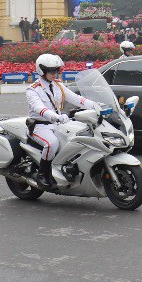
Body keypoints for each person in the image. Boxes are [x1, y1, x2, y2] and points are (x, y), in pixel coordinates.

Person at [25, 54, 102, 189]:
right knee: (52, 143)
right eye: (51, 71)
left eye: (56, 70)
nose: (54, 74)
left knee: (78, 137)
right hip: (40, 126)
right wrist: (55, 117)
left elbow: (75, 98)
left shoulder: (58, 85)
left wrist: (95, 105)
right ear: (42, 71)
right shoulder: (33, 89)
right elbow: (38, 108)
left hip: (58, 124)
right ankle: (43, 174)